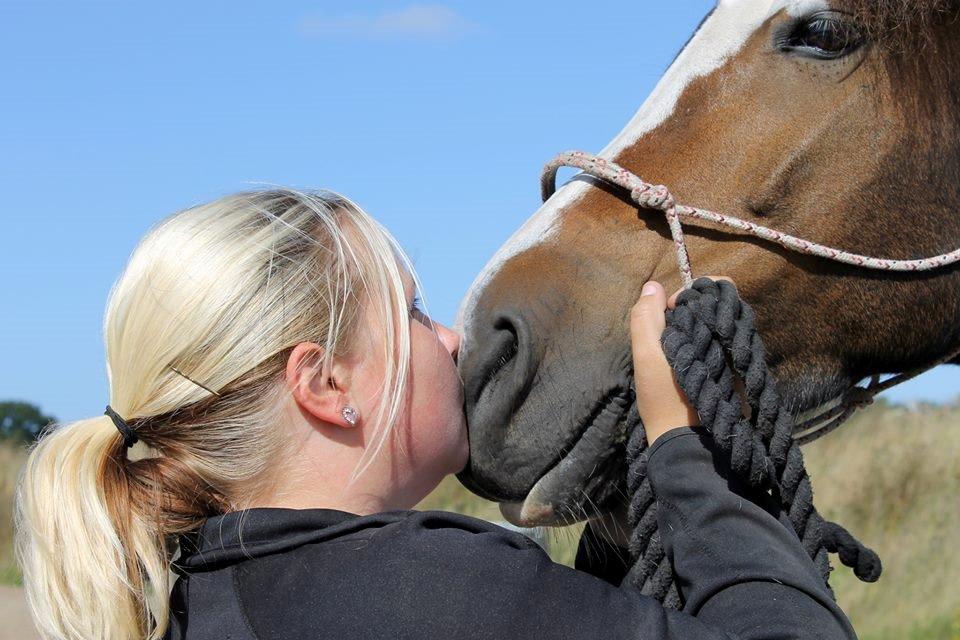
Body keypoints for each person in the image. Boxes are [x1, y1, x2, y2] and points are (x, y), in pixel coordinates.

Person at [15, 189, 856, 640]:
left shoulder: (198, 595)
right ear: (326, 385)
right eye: (412, 313)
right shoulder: (422, 590)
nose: (451, 338)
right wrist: (684, 452)